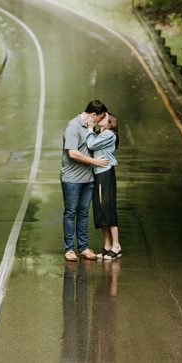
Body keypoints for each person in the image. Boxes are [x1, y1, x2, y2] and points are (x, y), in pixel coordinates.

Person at [61, 100, 109, 261]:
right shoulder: (73, 127)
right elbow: (73, 153)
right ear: (92, 115)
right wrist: (95, 162)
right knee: (70, 212)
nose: (99, 121)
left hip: (88, 178)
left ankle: (83, 247)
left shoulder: (90, 128)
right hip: (72, 179)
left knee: (83, 213)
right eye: (99, 118)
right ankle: (69, 249)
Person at [87, 113, 121, 259]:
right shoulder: (100, 134)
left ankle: (116, 245)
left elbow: (91, 145)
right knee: (100, 208)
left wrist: (89, 129)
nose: (100, 119)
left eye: (104, 118)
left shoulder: (109, 134)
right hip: (98, 172)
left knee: (107, 206)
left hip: (105, 173)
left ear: (110, 123)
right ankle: (107, 245)